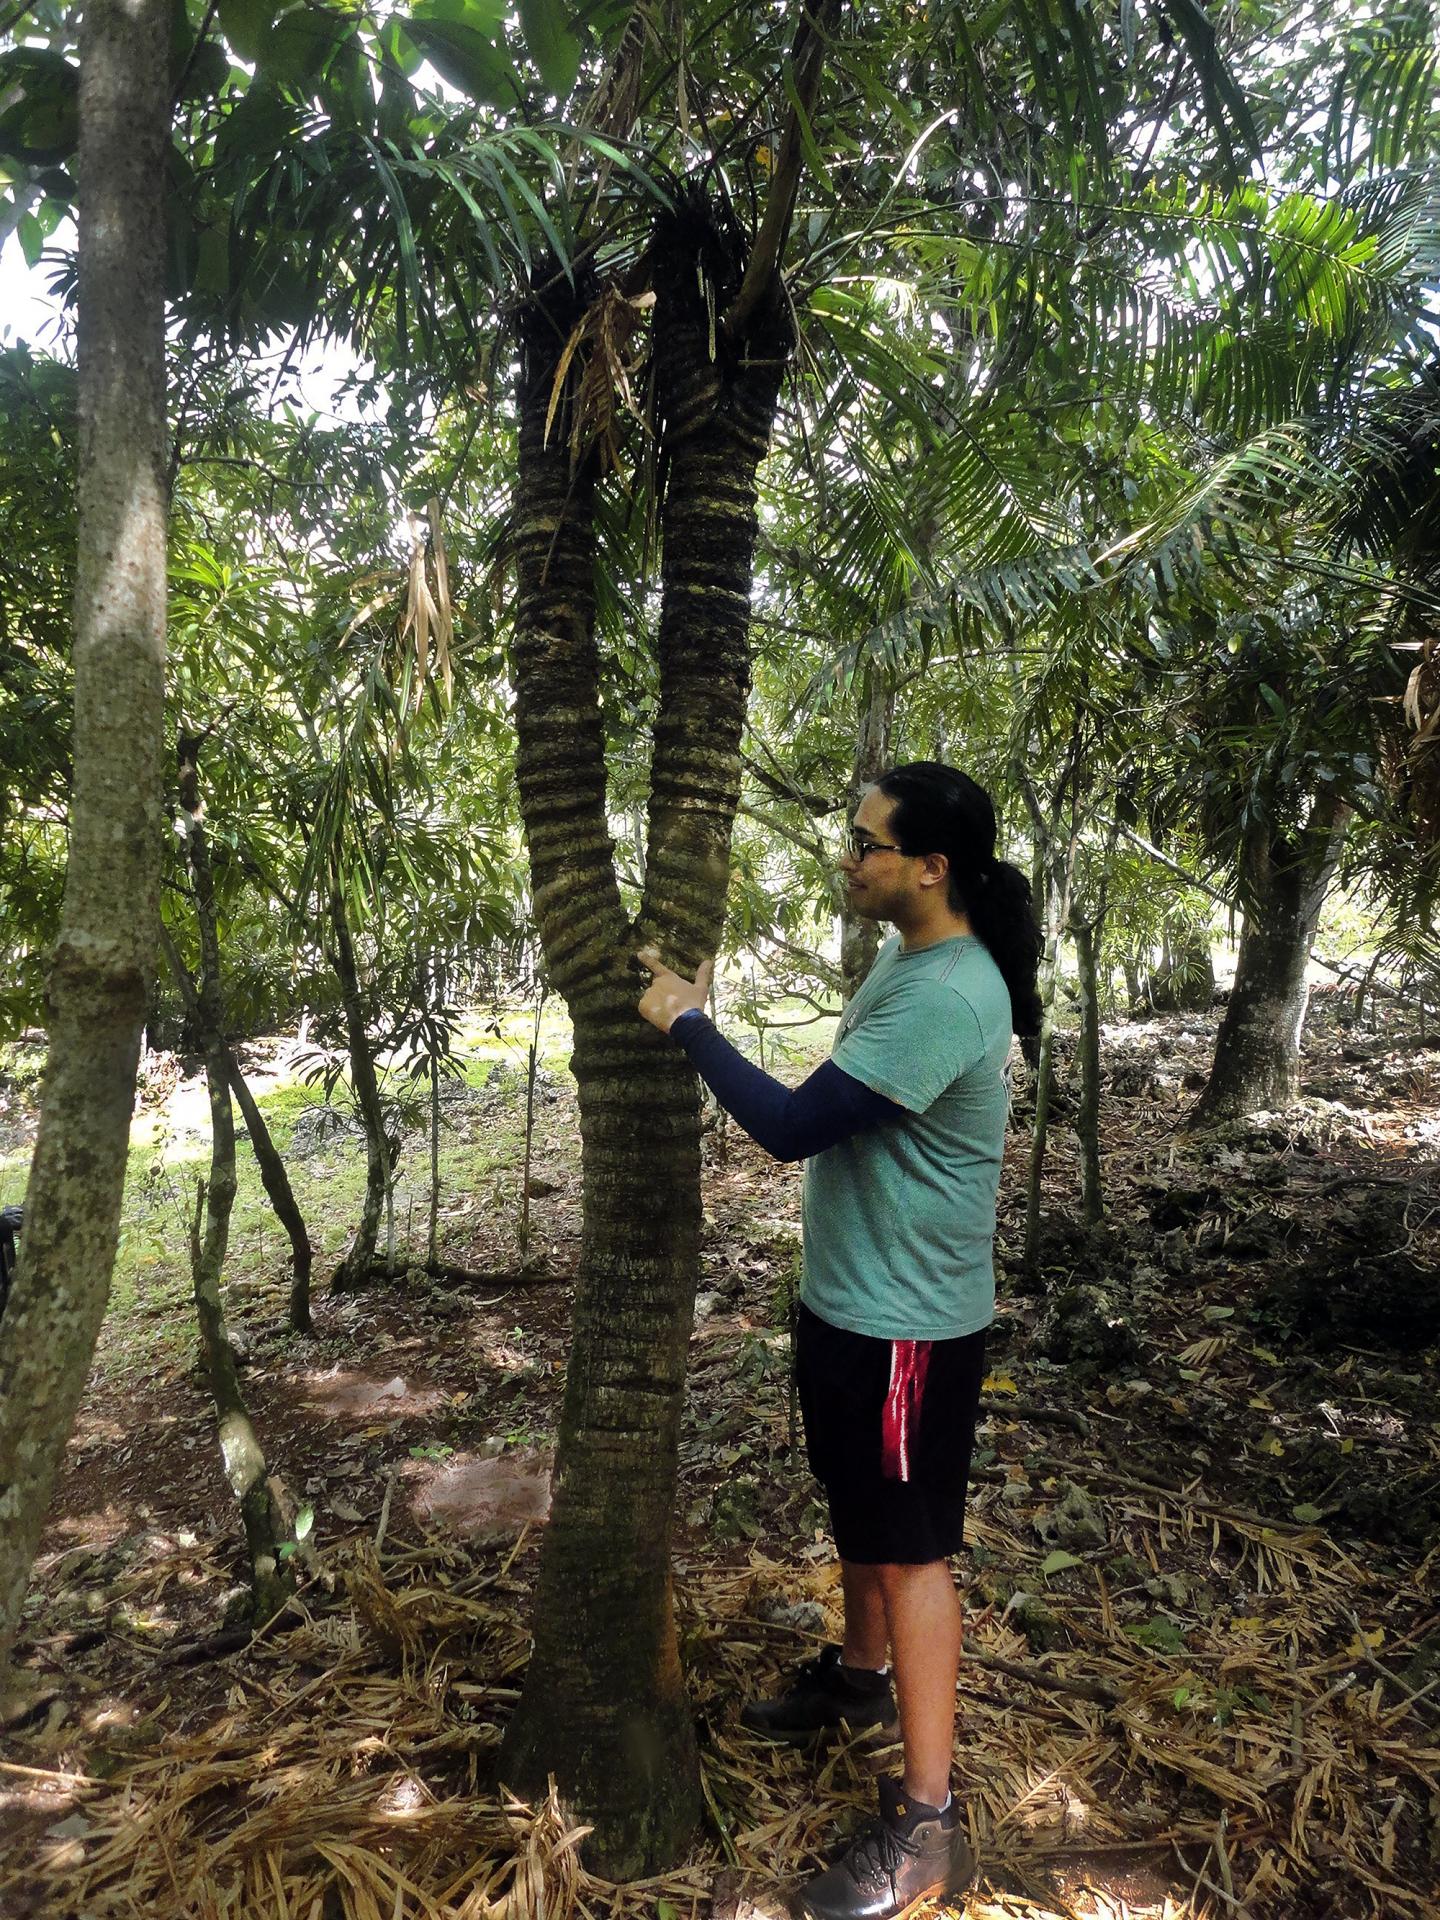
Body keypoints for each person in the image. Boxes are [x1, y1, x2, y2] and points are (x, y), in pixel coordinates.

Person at [636, 761, 1042, 1920]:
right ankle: (861, 1682)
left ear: (931, 867)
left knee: (911, 1549)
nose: (849, 859)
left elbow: (792, 1124)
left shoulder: (954, 992)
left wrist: (688, 1020)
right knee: (861, 1513)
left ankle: (927, 1824)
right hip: (852, 1304)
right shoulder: (906, 958)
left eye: (867, 844)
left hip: (910, 1326)